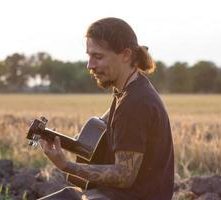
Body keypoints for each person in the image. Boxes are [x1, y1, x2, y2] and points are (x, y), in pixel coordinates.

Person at [39, 17, 175, 200]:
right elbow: (106, 130)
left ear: (126, 55)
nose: (90, 65)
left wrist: (66, 166)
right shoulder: (128, 91)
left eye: (98, 56)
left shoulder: (135, 104)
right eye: (89, 56)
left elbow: (124, 175)